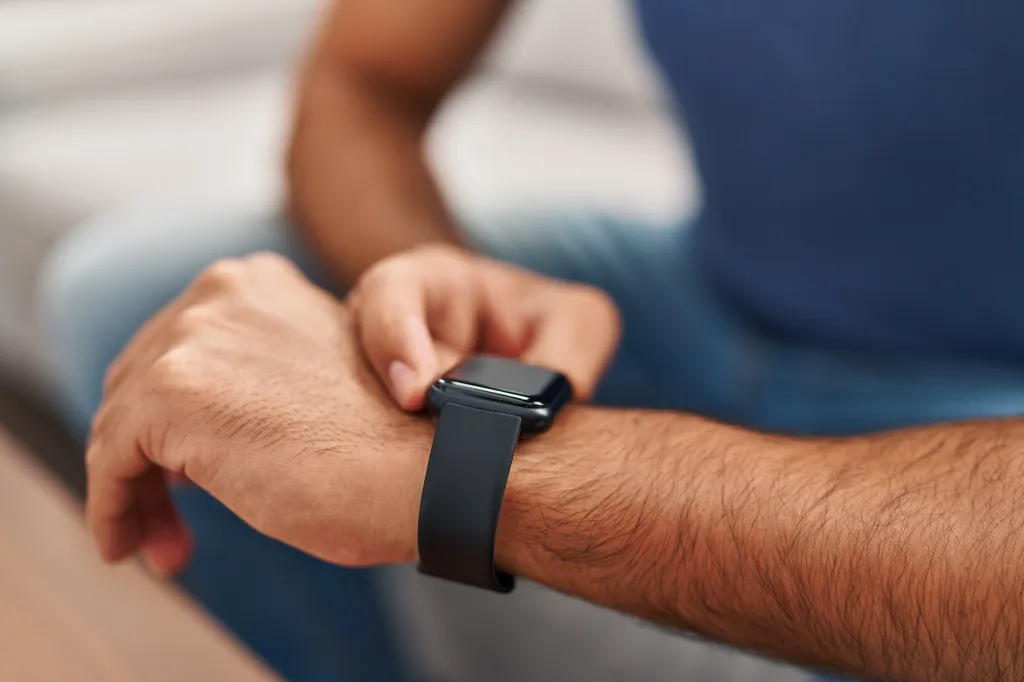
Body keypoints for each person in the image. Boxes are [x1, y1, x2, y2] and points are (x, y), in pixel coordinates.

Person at [39, 0, 1024, 681]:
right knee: (146, 292)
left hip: (989, 405)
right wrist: (431, 279)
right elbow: (364, 85)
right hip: (708, 293)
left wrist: (465, 466)